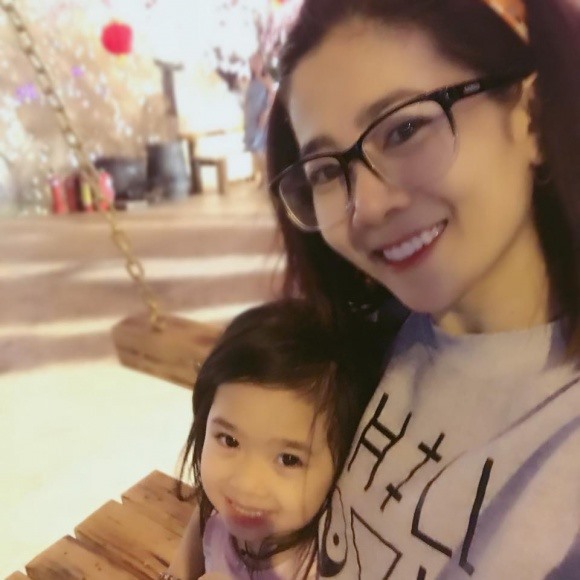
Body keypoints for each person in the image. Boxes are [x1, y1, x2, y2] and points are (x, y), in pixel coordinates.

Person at [170, 0, 580, 577]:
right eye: (325, 170)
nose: (364, 207)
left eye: (405, 128)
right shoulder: (366, 334)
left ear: (532, 116)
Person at [165, 299, 380, 579]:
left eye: (288, 459)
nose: (246, 484)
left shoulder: (327, 565)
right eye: (229, 440)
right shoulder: (219, 515)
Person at [244, 51, 275, 188]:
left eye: (257, 61)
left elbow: (272, 96)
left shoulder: (266, 78)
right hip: (250, 117)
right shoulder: (251, 80)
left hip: (261, 116)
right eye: (252, 61)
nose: (255, 64)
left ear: (262, 63)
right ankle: (262, 176)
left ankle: (268, 176)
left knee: (260, 147)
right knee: (253, 148)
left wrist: (266, 113)